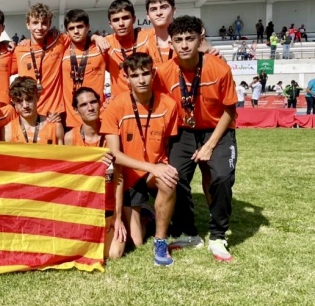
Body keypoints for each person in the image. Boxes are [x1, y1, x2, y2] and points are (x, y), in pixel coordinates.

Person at [154, 16, 238, 263]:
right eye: (178, 40)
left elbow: (230, 110)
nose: (184, 45)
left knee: (221, 176)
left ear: (200, 39)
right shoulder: (164, 72)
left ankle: (218, 235)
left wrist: (210, 145)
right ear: (171, 42)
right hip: (184, 132)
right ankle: (190, 233)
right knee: (173, 177)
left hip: (217, 130)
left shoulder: (219, 67)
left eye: (189, 39)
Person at [100, 53, 179, 266]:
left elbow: (170, 144)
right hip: (127, 175)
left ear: (153, 74)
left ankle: (160, 242)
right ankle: (147, 216)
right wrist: (151, 166)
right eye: (135, 75)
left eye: (145, 74)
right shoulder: (115, 106)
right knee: (135, 240)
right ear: (126, 78)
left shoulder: (169, 105)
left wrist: (162, 168)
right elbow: (115, 154)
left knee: (168, 181)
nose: (141, 80)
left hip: (154, 171)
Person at [64, 87, 116, 259]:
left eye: (93, 102)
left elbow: (120, 178)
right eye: (84, 104)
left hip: (110, 204)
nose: (90, 107)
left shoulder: (112, 133)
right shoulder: (70, 138)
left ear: (100, 103)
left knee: (112, 254)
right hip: (85, 205)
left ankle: (143, 217)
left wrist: (118, 215)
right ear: (76, 110)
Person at [12, 3, 69, 118]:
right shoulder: (19, 50)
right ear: (27, 25)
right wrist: (6, 43)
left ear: (49, 25)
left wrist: (95, 37)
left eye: (44, 23)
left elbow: (80, 37)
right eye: (35, 23)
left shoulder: (59, 41)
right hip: (29, 111)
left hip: (54, 112)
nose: (39, 27)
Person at [61, 9, 106, 128]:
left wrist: (96, 37)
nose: (76, 31)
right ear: (67, 31)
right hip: (70, 120)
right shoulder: (62, 48)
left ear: (87, 27)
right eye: (71, 28)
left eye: (80, 26)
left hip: (97, 118)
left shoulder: (100, 48)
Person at [104, 0, 153, 97]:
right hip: (121, 105)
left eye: (125, 18)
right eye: (116, 20)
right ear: (110, 24)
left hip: (147, 101)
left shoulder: (148, 36)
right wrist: (94, 37)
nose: (121, 23)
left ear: (134, 19)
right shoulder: (106, 44)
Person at [3, 76, 63, 144]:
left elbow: (62, 154)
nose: (25, 105)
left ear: (37, 97)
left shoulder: (55, 127)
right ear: (13, 102)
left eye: (29, 99)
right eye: (19, 101)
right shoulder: (7, 131)